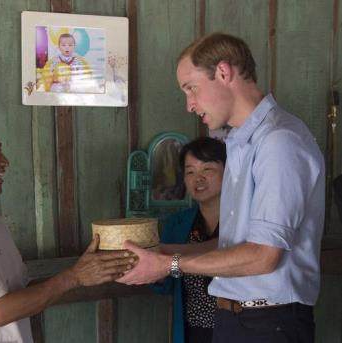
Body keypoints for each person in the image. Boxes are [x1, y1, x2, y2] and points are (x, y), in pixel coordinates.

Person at [118, 32, 325, 343]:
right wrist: (162, 252)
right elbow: (235, 246)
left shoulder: (279, 141)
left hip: (269, 324)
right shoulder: (240, 143)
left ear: (224, 73)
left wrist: (168, 265)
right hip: (235, 319)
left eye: (191, 88)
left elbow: (263, 256)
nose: (189, 105)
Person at [0, 113, 134, 343]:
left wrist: (86, 271)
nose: (4, 161)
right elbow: (2, 311)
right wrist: (75, 277)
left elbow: (21, 291)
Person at [151, 137, 226, 343]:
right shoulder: (177, 224)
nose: (198, 178)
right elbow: (165, 286)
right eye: (190, 171)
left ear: (229, 173)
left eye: (208, 170)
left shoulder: (245, 221)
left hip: (240, 328)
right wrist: (154, 270)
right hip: (192, 332)